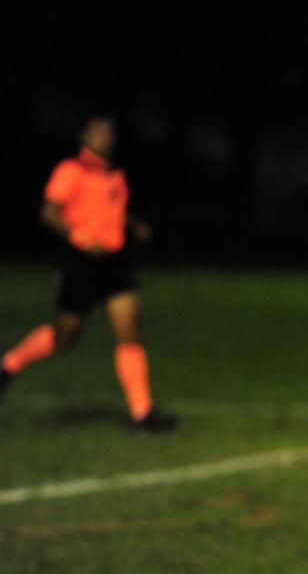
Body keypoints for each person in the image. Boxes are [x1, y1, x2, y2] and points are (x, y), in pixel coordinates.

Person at [0, 114, 177, 430]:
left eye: (109, 131)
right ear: (84, 135)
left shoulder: (114, 174)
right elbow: (49, 213)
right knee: (67, 336)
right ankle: (10, 363)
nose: (105, 136)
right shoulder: (71, 170)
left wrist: (133, 224)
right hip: (80, 262)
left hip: (116, 262)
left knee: (130, 331)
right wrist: (82, 239)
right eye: (98, 131)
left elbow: (113, 211)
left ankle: (142, 412)